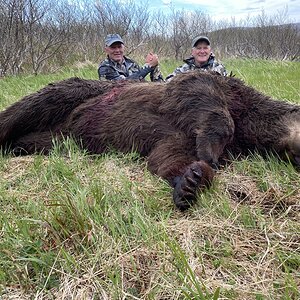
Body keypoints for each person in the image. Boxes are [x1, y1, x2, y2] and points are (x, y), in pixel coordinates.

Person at [98, 34, 163, 82]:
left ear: (124, 47)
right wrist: (149, 66)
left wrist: (154, 64)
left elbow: (141, 80)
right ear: (106, 49)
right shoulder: (104, 68)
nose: (117, 50)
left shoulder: (131, 63)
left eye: (119, 47)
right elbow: (123, 84)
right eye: (113, 47)